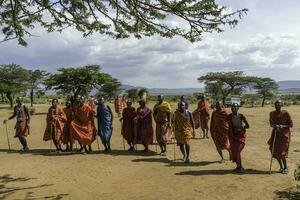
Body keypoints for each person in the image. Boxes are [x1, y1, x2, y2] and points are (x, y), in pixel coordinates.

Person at [268, 100, 293, 174]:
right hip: (276, 134)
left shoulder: (285, 113)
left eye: (279, 105)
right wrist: (274, 126)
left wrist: (282, 126)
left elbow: (291, 125)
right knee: (275, 151)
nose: (277, 106)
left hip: (284, 135)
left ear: (281, 105)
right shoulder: (271, 113)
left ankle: (286, 167)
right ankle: (281, 167)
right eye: (276, 105)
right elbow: (271, 124)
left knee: (282, 152)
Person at [228, 103, 249, 173]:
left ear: (238, 108)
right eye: (232, 107)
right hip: (234, 136)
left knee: (237, 151)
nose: (233, 108)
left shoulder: (241, 116)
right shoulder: (229, 116)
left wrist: (242, 126)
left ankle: (240, 167)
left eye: (235, 107)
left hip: (241, 136)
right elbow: (224, 122)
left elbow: (248, 126)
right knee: (234, 151)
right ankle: (238, 166)